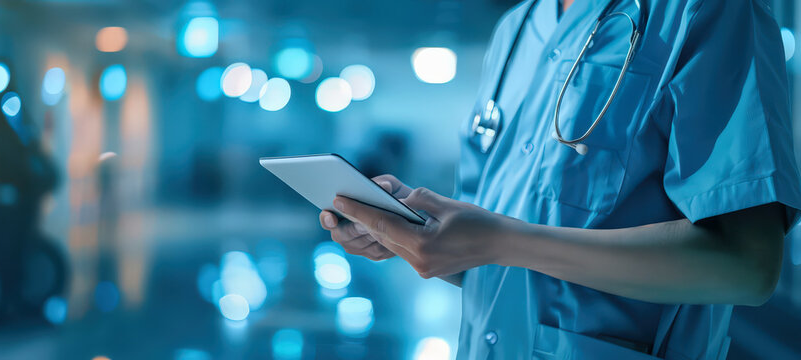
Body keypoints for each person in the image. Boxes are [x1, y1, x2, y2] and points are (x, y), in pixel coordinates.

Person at [320, 0, 801, 358]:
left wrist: (505, 241)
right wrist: (416, 234)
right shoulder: (517, 29)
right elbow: (492, 251)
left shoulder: (706, 12)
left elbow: (748, 265)